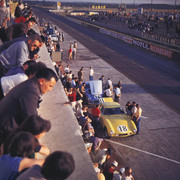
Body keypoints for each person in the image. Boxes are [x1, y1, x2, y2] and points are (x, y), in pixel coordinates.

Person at [0, 68, 58, 145]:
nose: (50, 90)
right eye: (50, 86)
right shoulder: (31, 90)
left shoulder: (31, 83)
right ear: (41, 81)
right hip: (5, 129)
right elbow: (31, 119)